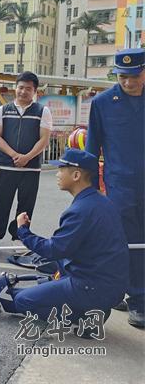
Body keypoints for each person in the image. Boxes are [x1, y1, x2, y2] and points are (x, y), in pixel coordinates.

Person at [1, 149, 129, 322]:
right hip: (109, 285)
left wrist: (23, 231)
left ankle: (86, 318)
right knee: (50, 277)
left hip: (90, 286)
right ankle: (92, 309)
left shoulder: (80, 210)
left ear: (76, 175)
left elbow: (53, 250)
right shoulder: (101, 201)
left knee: (22, 301)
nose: (57, 174)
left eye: (61, 169)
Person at [86, 48, 145, 328]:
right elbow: (92, 146)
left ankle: (131, 290)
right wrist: (88, 189)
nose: (128, 82)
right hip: (121, 185)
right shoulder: (103, 103)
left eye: (134, 76)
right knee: (129, 241)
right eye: (123, 77)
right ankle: (138, 300)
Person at [0, 72, 52, 254]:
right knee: (1, 203)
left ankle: (19, 238)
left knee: (26, 205)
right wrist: (14, 155)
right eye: (20, 87)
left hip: (31, 168)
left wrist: (27, 157)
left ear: (34, 91)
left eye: (28, 88)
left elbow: (44, 139)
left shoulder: (42, 111)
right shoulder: (3, 110)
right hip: (7, 165)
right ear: (15, 88)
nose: (23, 91)